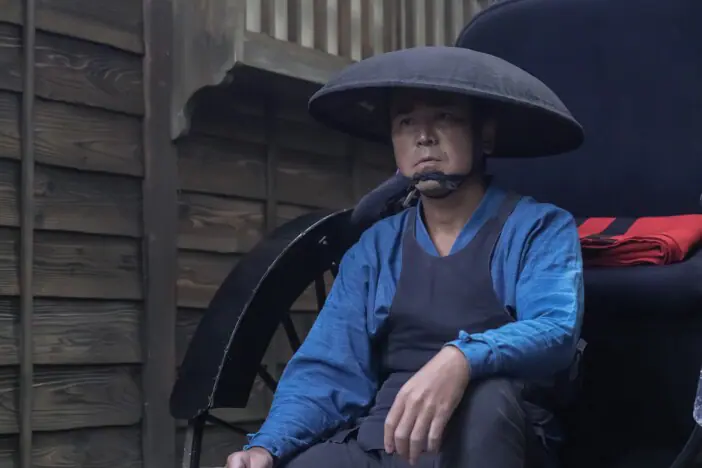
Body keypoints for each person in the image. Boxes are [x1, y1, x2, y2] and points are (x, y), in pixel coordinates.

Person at [226, 46, 585, 468]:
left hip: (496, 433)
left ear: (484, 135)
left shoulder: (538, 227)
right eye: (406, 121)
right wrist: (267, 446)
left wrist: (461, 359)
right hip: (388, 440)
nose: (423, 136)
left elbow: (555, 328)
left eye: (445, 117)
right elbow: (329, 368)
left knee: (489, 401)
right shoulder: (377, 247)